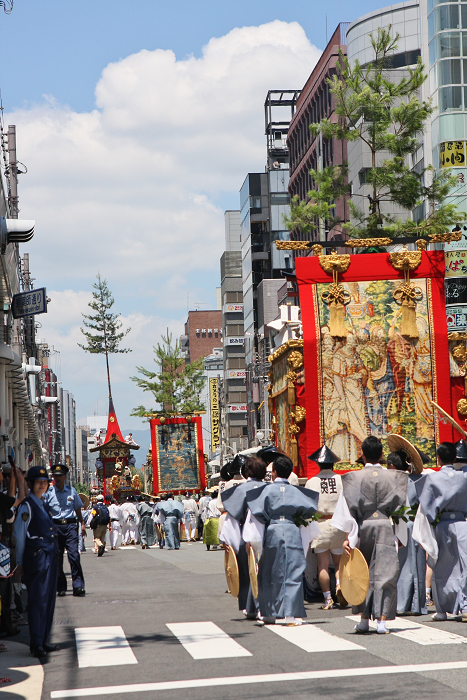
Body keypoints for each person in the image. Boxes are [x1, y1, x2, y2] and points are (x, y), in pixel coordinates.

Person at [331, 435, 408, 634]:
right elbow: (404, 509)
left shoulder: (352, 478)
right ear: (382, 455)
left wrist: (349, 537)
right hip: (385, 525)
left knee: (362, 572)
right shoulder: (395, 477)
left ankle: (364, 620)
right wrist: (400, 535)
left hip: (363, 525)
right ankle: (382, 621)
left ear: (362, 455)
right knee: (386, 573)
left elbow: (346, 511)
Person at [243, 455, 320, 625]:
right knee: (294, 570)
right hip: (292, 529)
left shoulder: (265, 490)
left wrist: (252, 539)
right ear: (290, 472)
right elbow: (310, 511)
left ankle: (269, 612)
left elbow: (254, 514)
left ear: (274, 472)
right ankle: (291, 613)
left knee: (270, 570)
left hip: (273, 529)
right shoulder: (297, 491)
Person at [413, 442, 467, 621]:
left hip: (442, 523)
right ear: (454, 457)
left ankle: (442, 609)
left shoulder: (433, 478)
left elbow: (426, 506)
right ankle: (465, 605)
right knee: (464, 565)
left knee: (440, 565)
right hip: (461, 522)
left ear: (438, 458)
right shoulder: (464, 477)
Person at [14, 466, 60, 658]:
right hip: (37, 558)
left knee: (49, 600)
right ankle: (36, 643)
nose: (42, 485)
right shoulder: (27, 506)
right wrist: (19, 562)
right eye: (38, 482)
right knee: (38, 600)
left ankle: (43, 640)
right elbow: (19, 535)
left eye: (45, 482)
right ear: (30, 484)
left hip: (49, 556)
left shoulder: (42, 504)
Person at [219, 455, 267, 619]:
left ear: (246, 472)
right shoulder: (269, 487)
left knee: (248, 571)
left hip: (245, 533)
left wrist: (226, 539)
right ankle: (263, 604)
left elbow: (232, 516)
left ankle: (252, 607)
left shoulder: (240, 489)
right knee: (264, 570)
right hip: (268, 532)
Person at [386, 442, 428, 617]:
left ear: (392, 466)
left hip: (399, 524)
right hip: (415, 523)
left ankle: (400, 603)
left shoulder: (392, 481)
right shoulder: (418, 479)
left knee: (401, 565)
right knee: (417, 565)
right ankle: (417, 604)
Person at [305, 445, 347, 610]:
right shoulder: (341, 480)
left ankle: (327, 598)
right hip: (337, 523)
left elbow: (308, 507)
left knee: (322, 565)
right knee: (339, 564)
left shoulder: (311, 482)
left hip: (320, 523)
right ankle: (339, 586)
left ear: (318, 464)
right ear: (333, 464)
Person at [43, 464, 86, 597]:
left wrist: (83, 525)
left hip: (71, 526)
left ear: (65, 476)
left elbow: (78, 509)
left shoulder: (71, 491)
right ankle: (60, 586)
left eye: (60, 476)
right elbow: (44, 512)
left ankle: (78, 586)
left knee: (74, 556)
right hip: (55, 527)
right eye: (56, 476)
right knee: (57, 558)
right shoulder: (49, 493)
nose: (58, 478)